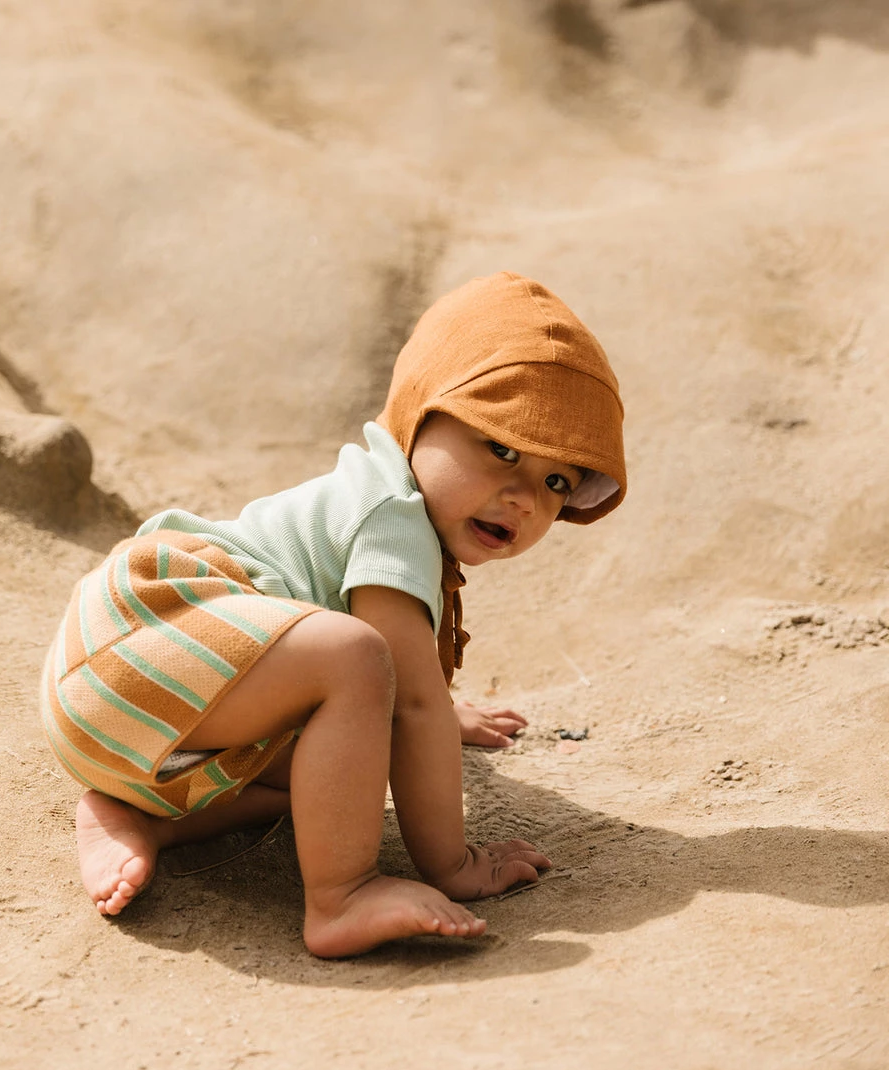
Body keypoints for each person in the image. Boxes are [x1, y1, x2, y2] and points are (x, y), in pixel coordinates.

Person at [40, 271, 626, 958]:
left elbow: (410, 701)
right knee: (356, 663)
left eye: (557, 481)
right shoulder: (393, 514)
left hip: (143, 708)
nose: (524, 496)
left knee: (342, 759)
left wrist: (430, 708)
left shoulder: (394, 504)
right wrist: (453, 864)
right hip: (142, 644)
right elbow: (410, 702)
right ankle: (343, 895)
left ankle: (138, 815)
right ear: (420, 414)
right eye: (501, 448)